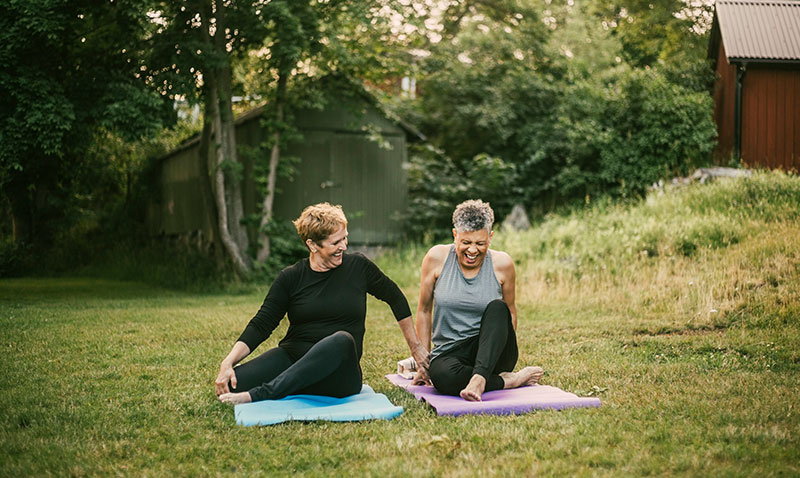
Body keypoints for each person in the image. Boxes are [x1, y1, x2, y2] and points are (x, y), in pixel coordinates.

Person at [215, 202, 429, 404]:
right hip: (294, 357)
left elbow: (395, 297)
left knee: (341, 339)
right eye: (335, 242)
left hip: (339, 371)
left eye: (345, 238)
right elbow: (262, 324)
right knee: (233, 384)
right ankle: (294, 383)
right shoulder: (291, 277)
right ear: (312, 245)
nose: (344, 246)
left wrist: (416, 347)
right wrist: (228, 362)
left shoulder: (358, 267)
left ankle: (265, 393)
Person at [413, 199, 543, 401]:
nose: (472, 250)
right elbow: (423, 310)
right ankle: (509, 381)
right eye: (466, 242)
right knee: (442, 377)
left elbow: (510, 316)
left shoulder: (503, 264)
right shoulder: (436, 258)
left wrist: (494, 353)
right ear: (455, 235)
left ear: (490, 238)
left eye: (480, 243)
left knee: (499, 308)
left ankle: (481, 377)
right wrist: (422, 363)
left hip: (491, 352)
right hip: (450, 353)